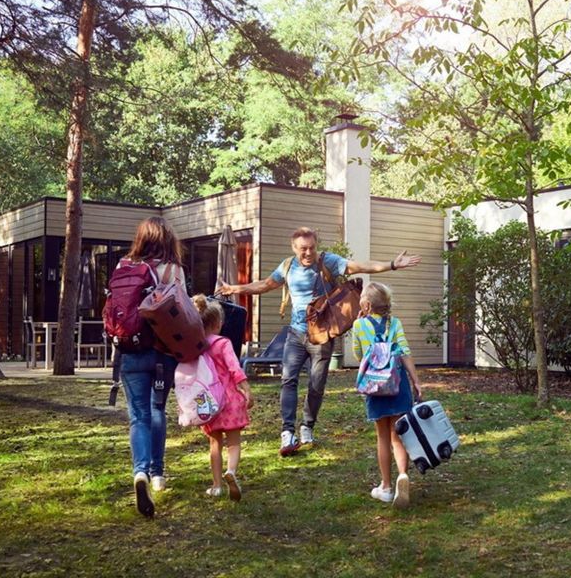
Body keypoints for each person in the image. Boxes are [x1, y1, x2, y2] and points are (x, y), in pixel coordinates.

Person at [216, 226, 421, 456]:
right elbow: (265, 285)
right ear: (294, 248)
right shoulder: (287, 266)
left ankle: (307, 426)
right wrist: (235, 288)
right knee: (288, 380)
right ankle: (287, 431)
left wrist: (391, 264)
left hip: (322, 334)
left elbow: (359, 266)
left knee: (316, 384)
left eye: (312, 247)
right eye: (303, 249)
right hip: (295, 334)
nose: (308, 253)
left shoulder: (328, 261)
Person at [116, 216, 186, 518]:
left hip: (130, 351)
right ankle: (157, 474)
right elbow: (182, 312)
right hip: (162, 353)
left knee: (138, 416)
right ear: (167, 238)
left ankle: (140, 471)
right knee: (157, 410)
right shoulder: (173, 270)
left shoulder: (123, 266)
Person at [352, 282, 421, 509]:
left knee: (382, 436)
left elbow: (358, 354)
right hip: (398, 384)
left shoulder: (359, 325)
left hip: (375, 386)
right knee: (398, 435)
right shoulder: (396, 323)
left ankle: (386, 486)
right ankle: (403, 475)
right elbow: (405, 352)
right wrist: (416, 381)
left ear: (367, 304)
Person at [192, 294, 254, 501]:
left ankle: (217, 485)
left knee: (214, 443)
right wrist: (246, 388)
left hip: (209, 402)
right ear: (219, 324)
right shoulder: (223, 343)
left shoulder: (197, 346)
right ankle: (232, 472)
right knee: (234, 442)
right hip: (230, 400)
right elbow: (234, 368)